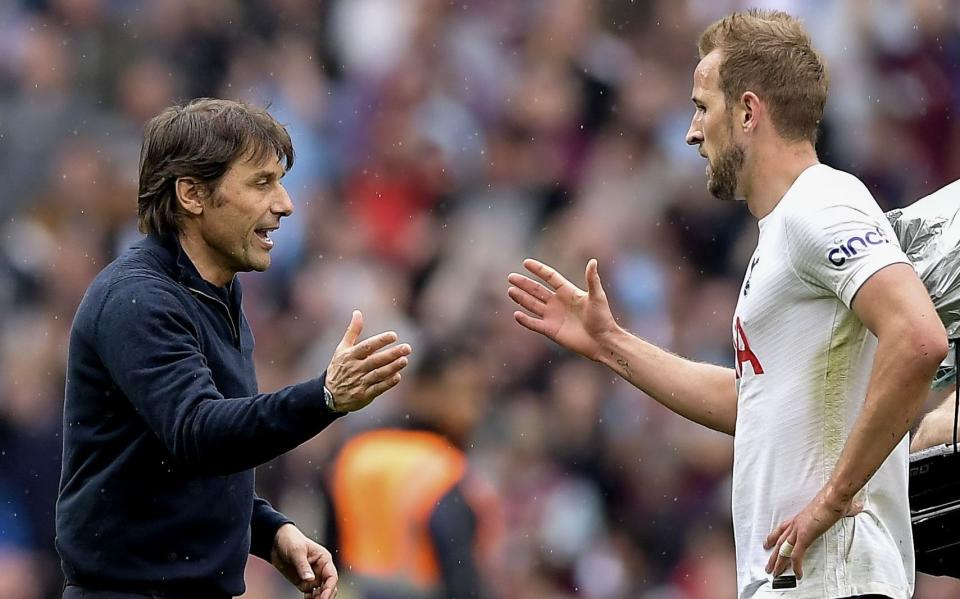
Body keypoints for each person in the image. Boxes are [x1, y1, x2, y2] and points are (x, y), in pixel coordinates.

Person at [507, 10, 948, 599]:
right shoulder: (786, 230)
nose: (691, 132)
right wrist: (610, 344)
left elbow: (919, 338)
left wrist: (835, 498)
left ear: (747, 112)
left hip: (833, 578)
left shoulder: (822, 202)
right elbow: (755, 405)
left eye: (701, 107)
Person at [56, 98, 413, 599]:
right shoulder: (138, 300)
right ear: (192, 195)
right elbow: (198, 432)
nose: (285, 203)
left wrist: (267, 530)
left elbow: (177, 462)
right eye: (261, 182)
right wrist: (325, 397)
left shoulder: (217, 289)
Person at [323, 347, 500, 599]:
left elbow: (330, 549)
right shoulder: (444, 468)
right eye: (467, 393)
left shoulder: (355, 452)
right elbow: (459, 572)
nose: (476, 409)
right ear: (425, 391)